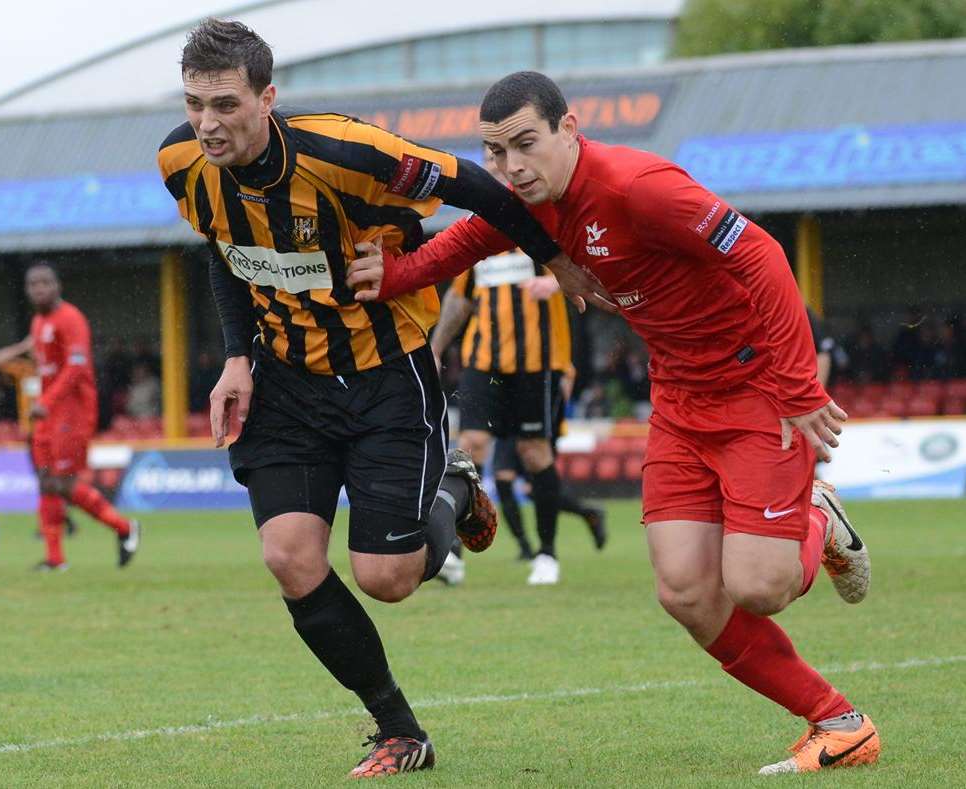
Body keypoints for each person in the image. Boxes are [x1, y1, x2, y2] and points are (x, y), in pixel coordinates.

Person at [349, 71, 877, 775]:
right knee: (685, 591)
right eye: (495, 152)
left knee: (757, 586)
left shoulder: (638, 186)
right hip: (681, 401)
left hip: (756, 391)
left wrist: (798, 385)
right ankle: (840, 721)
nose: (510, 167)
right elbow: (462, 244)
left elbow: (761, 253)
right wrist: (391, 277)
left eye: (525, 145)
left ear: (569, 130)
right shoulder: (524, 203)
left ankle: (818, 516)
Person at [155, 20, 606, 779]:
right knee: (289, 557)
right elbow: (226, 253)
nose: (207, 122)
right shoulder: (182, 163)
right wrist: (236, 356)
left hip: (384, 377)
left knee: (385, 579)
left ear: (268, 99)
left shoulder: (349, 153)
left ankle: (455, 486)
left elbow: (478, 186)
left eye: (226, 103)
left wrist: (555, 257)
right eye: (195, 102)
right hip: (285, 382)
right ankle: (399, 729)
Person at [429, 149, 603, 585]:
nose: (495, 166)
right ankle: (450, 551)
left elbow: (588, 268)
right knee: (468, 446)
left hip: (535, 363)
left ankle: (547, 553)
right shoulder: (474, 232)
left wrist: (558, 280)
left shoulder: (544, 221)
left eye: (499, 158)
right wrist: (437, 346)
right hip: (482, 361)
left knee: (534, 453)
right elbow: (459, 297)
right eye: (488, 158)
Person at [0, 263, 140, 571]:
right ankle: (55, 559)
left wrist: (46, 400)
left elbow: (77, 368)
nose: (39, 289)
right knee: (46, 481)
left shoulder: (71, 319)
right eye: (33, 284)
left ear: (58, 286)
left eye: (45, 282)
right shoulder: (37, 322)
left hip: (72, 411)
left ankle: (124, 527)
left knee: (64, 483)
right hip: (47, 414)